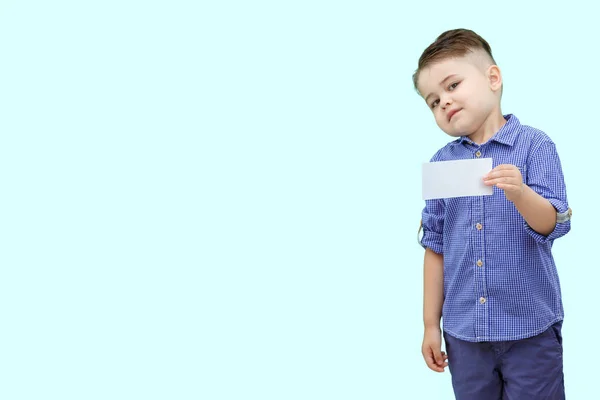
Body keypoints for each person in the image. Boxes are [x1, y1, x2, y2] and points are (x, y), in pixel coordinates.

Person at [413, 28, 572, 399]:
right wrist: (429, 325)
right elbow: (435, 247)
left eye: (452, 86)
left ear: (493, 78)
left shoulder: (535, 145)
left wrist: (520, 194)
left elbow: (552, 224)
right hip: (464, 334)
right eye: (433, 101)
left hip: (530, 329)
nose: (444, 103)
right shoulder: (442, 163)